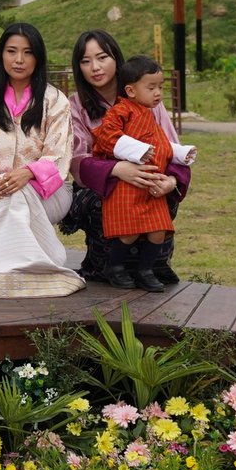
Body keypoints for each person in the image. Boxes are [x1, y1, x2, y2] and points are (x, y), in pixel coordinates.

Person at [0, 23, 85, 298]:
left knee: (18, 197)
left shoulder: (55, 101)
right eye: (12, 51)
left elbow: (59, 154)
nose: (19, 60)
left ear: (38, 58)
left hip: (50, 193)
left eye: (27, 53)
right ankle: (35, 273)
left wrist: (28, 174)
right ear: (1, 55)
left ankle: (1, 279)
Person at [66, 30, 189, 286]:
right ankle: (109, 265)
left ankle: (152, 266)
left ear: (116, 58)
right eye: (85, 61)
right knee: (114, 201)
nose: (95, 67)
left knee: (160, 193)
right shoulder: (76, 104)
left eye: (102, 57)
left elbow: (171, 146)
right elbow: (77, 159)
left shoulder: (148, 95)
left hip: (150, 176)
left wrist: (172, 181)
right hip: (100, 184)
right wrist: (117, 169)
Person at [91, 56, 182, 291]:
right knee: (129, 232)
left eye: (160, 87)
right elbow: (106, 137)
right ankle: (115, 267)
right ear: (130, 90)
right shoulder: (120, 112)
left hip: (152, 184)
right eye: (151, 87)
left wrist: (180, 154)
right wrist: (136, 150)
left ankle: (146, 270)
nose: (158, 93)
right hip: (127, 184)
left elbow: (164, 143)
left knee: (159, 229)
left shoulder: (150, 115)